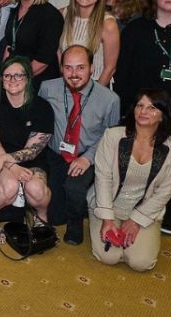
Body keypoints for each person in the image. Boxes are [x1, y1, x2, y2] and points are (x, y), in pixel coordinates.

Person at [115, 0, 171, 235]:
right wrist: (128, 106)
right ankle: (132, 207)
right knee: (139, 158)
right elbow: (123, 71)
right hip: (141, 107)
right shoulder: (137, 28)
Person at [88, 89, 171, 271]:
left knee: (141, 263)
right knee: (108, 257)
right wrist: (107, 219)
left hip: (144, 210)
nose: (143, 111)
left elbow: (165, 190)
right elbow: (103, 179)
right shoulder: (113, 136)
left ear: (163, 115)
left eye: (152, 108)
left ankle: (140, 235)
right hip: (109, 205)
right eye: (140, 106)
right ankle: (101, 223)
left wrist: (137, 220)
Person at [39, 45, 120, 244]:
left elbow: (112, 137)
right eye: (68, 68)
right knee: (54, 215)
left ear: (92, 68)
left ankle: (76, 225)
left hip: (87, 154)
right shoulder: (47, 88)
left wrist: (88, 158)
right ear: (61, 68)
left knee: (74, 188)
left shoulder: (110, 100)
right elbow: (40, 120)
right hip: (56, 154)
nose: (74, 74)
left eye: (80, 67)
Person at [0, 57, 54, 243]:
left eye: (19, 75)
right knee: (10, 186)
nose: (13, 80)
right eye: (7, 76)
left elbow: (33, 150)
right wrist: (12, 166)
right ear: (1, 79)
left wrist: (8, 161)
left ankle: (41, 216)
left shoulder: (42, 107)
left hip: (31, 159)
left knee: (37, 190)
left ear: (28, 78)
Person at [3, 0, 64, 89]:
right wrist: (4, 74)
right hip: (15, 78)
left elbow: (44, 59)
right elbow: (10, 45)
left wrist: (19, 79)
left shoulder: (50, 15)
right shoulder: (15, 10)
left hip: (39, 82)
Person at [59, 0, 120, 87]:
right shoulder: (62, 15)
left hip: (97, 85)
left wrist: (93, 95)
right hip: (66, 84)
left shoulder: (108, 24)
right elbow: (58, 52)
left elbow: (110, 68)